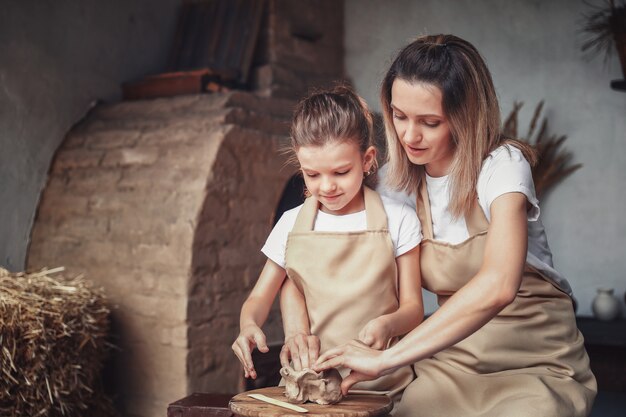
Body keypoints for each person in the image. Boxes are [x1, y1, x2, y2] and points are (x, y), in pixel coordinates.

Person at [306, 35, 597, 416]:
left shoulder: (503, 166)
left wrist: (387, 359)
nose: (409, 135)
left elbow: (498, 286)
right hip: (451, 365)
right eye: (398, 115)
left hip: (537, 365)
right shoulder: (395, 183)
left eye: (429, 122)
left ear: (465, 116)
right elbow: (305, 247)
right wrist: (301, 332)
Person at [231, 85, 424, 398]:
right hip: (312, 382)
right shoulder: (291, 223)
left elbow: (413, 308)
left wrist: (387, 325)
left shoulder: (399, 218)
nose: (328, 186)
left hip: (384, 380)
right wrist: (249, 326)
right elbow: (258, 299)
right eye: (313, 175)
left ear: (367, 159)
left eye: (341, 172)